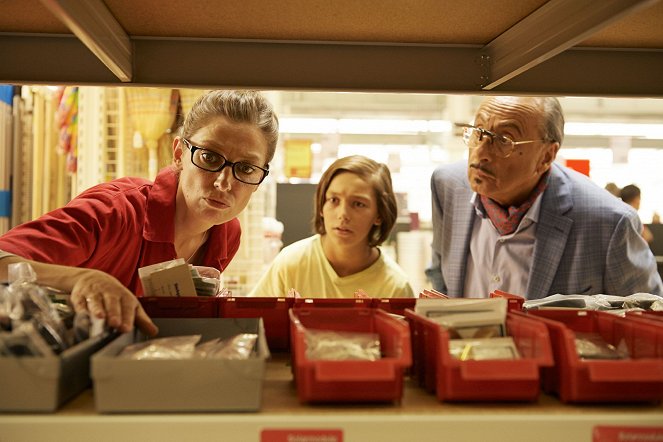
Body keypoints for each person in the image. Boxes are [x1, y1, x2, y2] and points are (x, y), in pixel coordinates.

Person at [0, 90, 279, 335]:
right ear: (179, 154)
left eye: (246, 168)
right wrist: (82, 279)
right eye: (209, 157)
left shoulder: (227, 233)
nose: (223, 183)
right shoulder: (115, 211)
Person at [426, 96, 663, 299]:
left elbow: (649, 317)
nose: (481, 152)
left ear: (546, 156)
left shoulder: (608, 223)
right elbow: (441, 273)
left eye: (503, 140)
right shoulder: (447, 186)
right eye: (478, 132)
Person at [249, 155, 414, 298]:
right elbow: (251, 324)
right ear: (321, 205)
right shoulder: (291, 264)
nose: (343, 214)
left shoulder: (395, 286)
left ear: (379, 215)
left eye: (358, 204)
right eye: (334, 200)